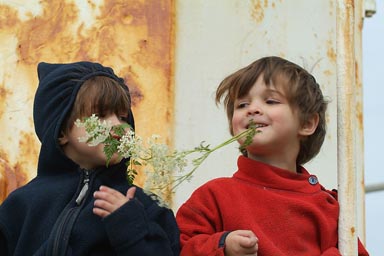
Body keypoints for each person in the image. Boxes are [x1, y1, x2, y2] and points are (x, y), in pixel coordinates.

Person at [176, 56, 369, 256]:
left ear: (307, 124)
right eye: (241, 105)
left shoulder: (328, 207)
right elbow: (178, 247)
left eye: (271, 101)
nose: (252, 109)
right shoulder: (213, 196)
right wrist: (223, 245)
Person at [0, 61, 180, 255]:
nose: (116, 126)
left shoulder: (145, 206)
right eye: (100, 116)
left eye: (122, 117)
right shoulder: (21, 204)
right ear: (61, 131)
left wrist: (133, 229)